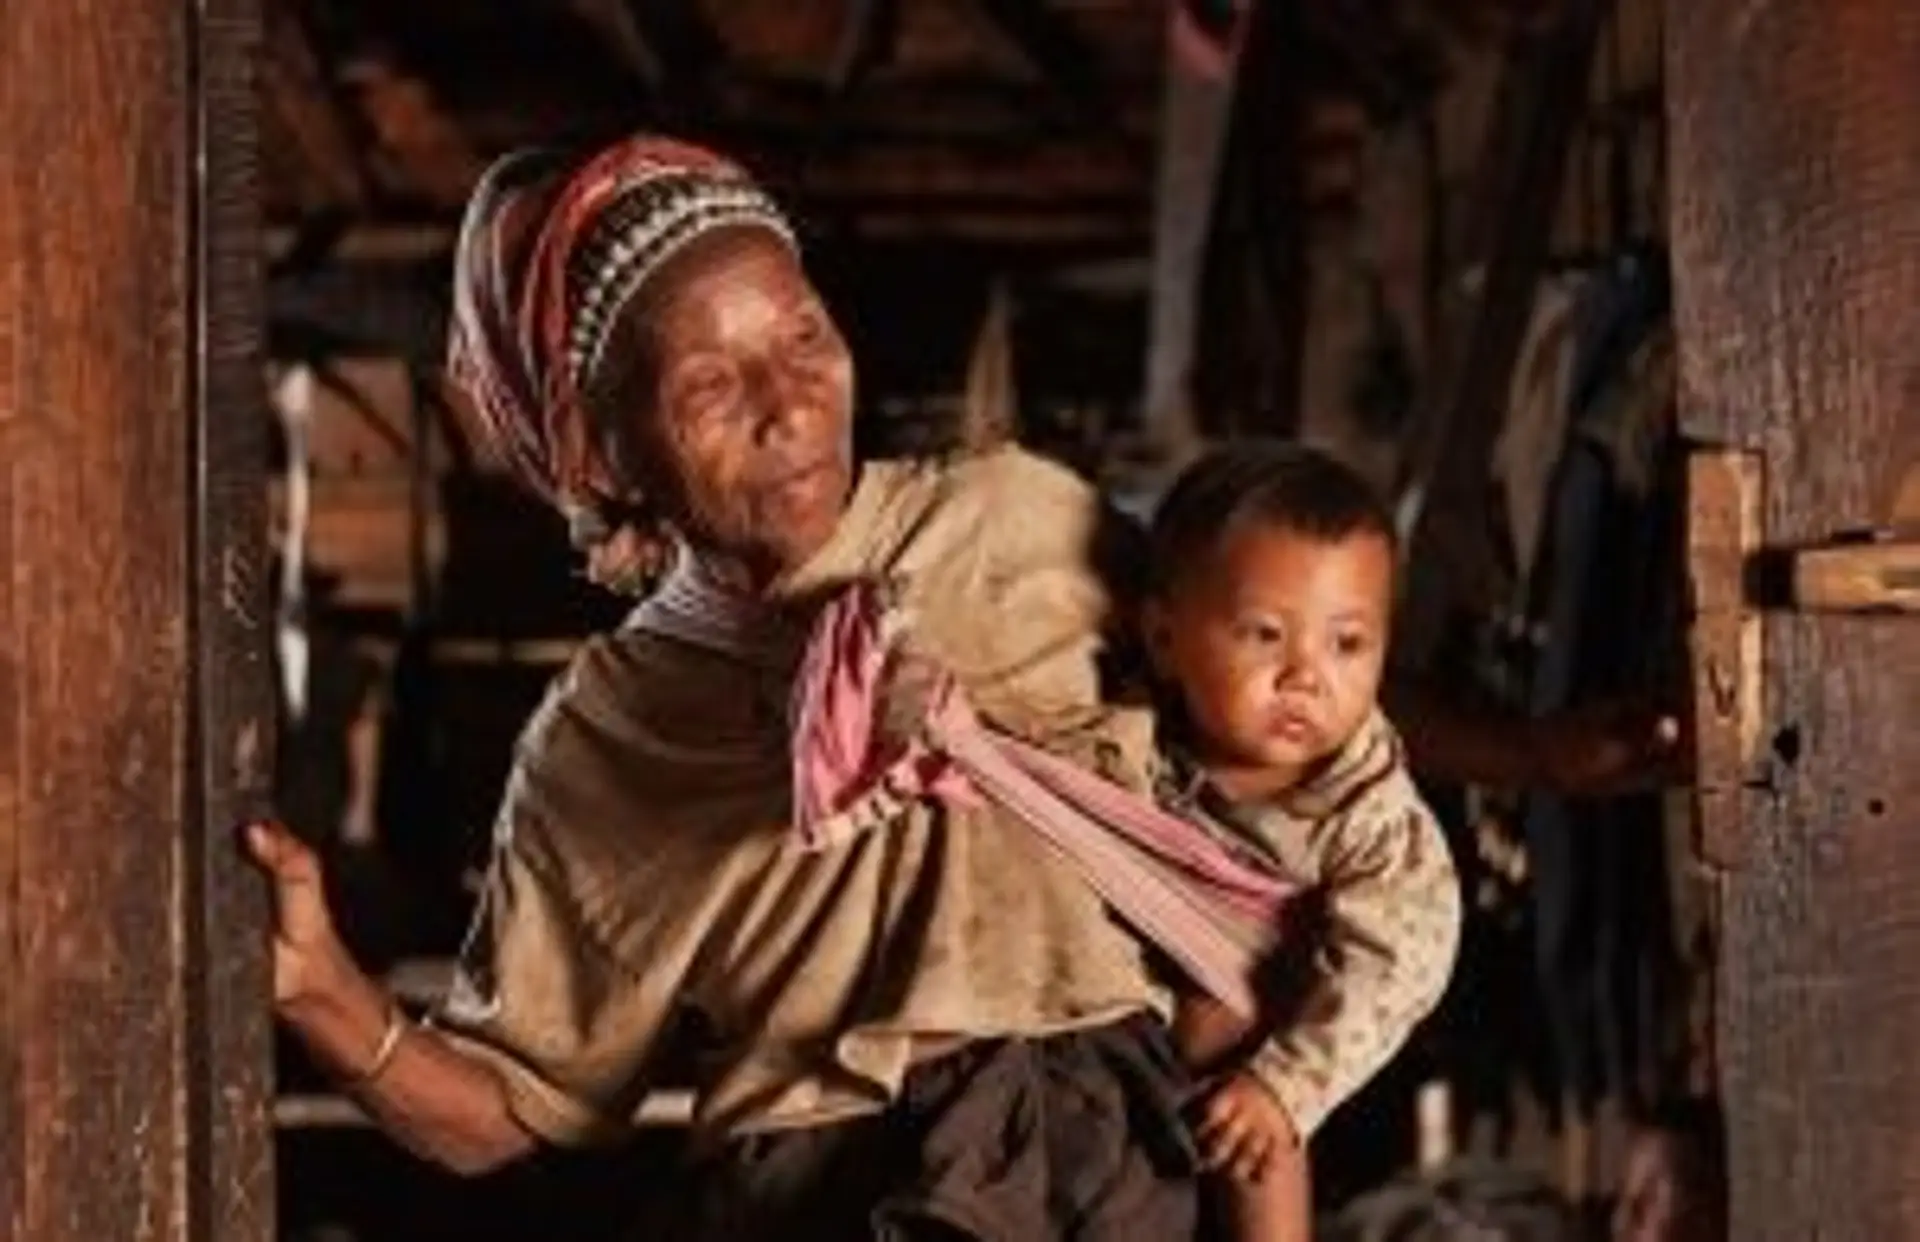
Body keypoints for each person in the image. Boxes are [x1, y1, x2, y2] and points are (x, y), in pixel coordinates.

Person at [247, 134, 1225, 1239]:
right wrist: (322, 992)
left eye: (803, 336)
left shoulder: (1024, 524)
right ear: (599, 454)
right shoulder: (605, 742)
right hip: (829, 1200)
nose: (789, 406)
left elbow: (1275, 739)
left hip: (1113, 1164)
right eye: (710, 383)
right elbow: (509, 1110)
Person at [1140, 444, 1464, 1242]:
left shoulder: (1369, 815)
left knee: (1261, 1135)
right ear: (1163, 638)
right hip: (1129, 990)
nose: (1305, 677)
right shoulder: (1126, 726)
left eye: (1347, 644)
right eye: (1264, 635)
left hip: (1264, 1032)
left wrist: (1286, 1086)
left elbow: (1401, 963)